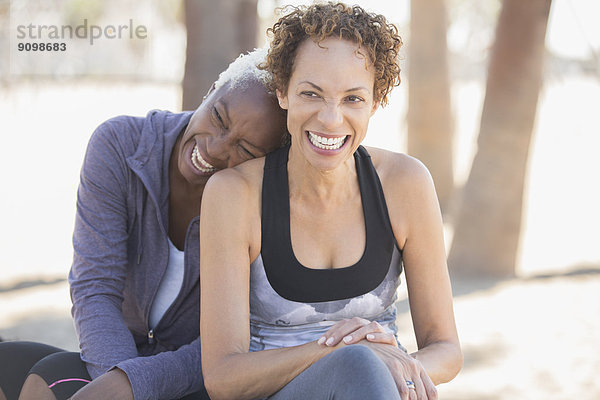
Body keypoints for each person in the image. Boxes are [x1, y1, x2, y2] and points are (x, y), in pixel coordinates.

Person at [199, 3, 463, 400]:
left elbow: (446, 349)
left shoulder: (405, 184)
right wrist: (343, 350)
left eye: (353, 99)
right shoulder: (234, 195)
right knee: (358, 366)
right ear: (282, 91)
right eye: (311, 93)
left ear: (376, 102)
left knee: (365, 371)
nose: (330, 119)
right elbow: (223, 378)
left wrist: (400, 364)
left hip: (383, 389)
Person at [0, 48, 289, 400]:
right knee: (11, 363)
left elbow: (238, 342)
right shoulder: (122, 146)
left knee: (49, 377)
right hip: (113, 363)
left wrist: (136, 383)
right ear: (212, 89)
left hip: (195, 381)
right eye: (218, 118)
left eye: (244, 150)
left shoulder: (261, 203)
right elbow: (95, 289)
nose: (214, 148)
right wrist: (122, 379)